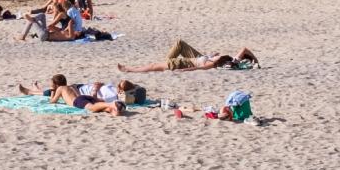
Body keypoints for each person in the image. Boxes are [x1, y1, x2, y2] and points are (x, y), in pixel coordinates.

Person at [118, 40, 258, 73]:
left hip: (185, 63)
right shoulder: (231, 59)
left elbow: (200, 68)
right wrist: (255, 60)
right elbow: (245, 49)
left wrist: (183, 70)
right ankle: (131, 69)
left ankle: (130, 69)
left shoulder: (220, 63)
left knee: (155, 66)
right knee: (180, 43)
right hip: (199, 57)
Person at [17, 74, 124, 116]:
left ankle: (111, 105)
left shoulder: (60, 89)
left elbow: (52, 101)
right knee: (97, 106)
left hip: (77, 101)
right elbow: (78, 94)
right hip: (82, 97)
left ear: (56, 84)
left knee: (92, 108)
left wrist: (53, 91)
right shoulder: (70, 87)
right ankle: (112, 110)